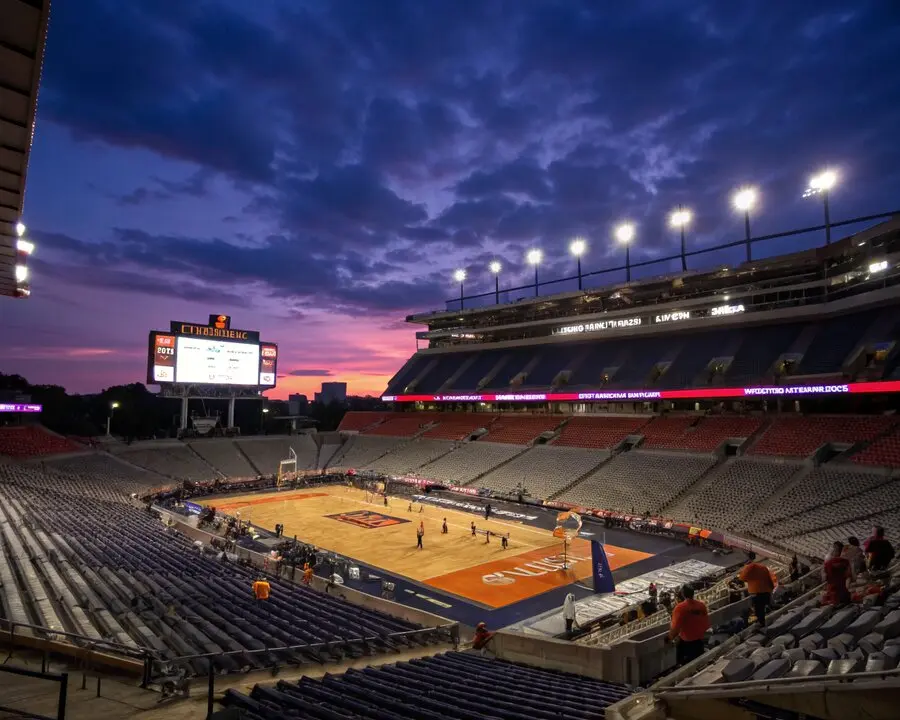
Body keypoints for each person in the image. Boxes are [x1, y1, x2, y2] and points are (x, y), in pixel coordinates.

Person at [666, 585, 710, 666]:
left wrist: (668, 638)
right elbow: (706, 623)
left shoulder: (680, 608)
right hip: (700, 640)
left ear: (683, 594)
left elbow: (675, 629)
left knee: (683, 661)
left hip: (687, 642)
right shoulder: (701, 605)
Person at [738, 552, 776, 626]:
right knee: (762, 610)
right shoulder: (763, 567)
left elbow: (742, 578)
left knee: (759, 611)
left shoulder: (749, 568)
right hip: (766, 592)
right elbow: (769, 580)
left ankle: (762, 625)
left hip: (758, 594)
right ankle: (762, 622)